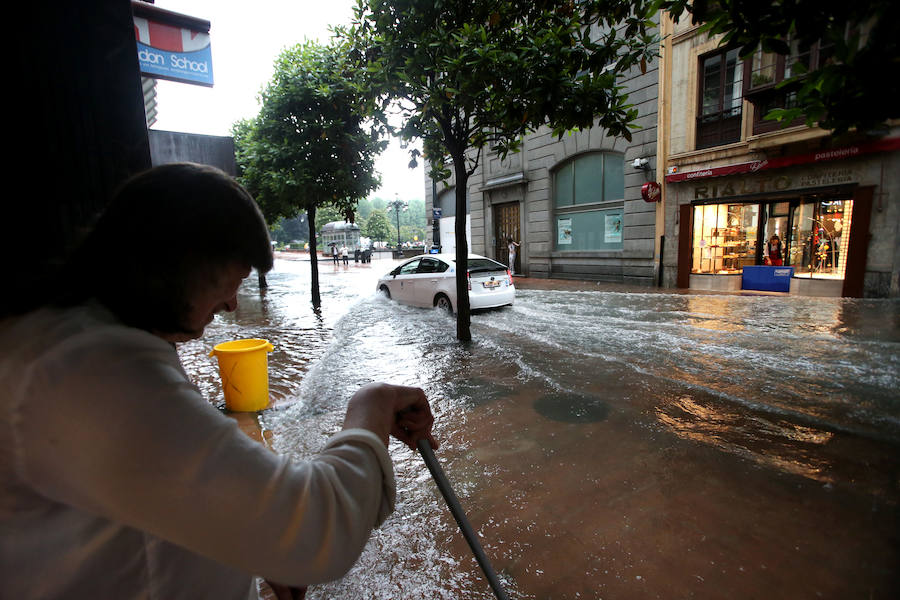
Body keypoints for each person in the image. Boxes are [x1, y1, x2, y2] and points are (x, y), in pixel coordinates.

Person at [0, 163, 437, 600]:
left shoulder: (86, 338)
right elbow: (314, 532)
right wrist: (371, 405)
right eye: (234, 278)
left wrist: (252, 546)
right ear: (178, 260)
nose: (231, 303)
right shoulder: (88, 370)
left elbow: (162, 496)